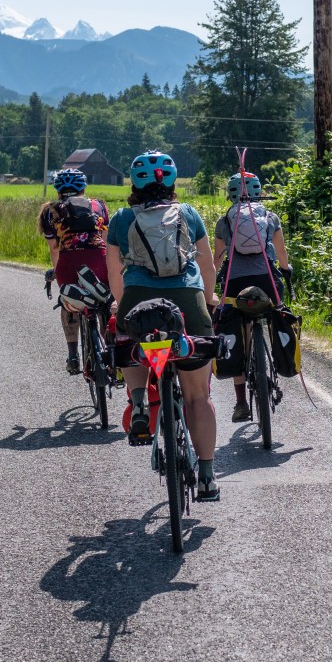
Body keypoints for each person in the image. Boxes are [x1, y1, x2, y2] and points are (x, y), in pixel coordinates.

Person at [105, 151, 221, 501]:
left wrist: (121, 303)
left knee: (127, 339)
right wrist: (209, 299)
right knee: (198, 396)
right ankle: (206, 477)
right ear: (171, 182)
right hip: (188, 301)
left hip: (138, 298)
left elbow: (114, 274)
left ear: (134, 183)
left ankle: (139, 399)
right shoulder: (189, 214)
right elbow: (208, 268)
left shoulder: (122, 219)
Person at [213, 171, 291, 423]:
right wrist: (287, 271)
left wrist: (212, 283)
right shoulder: (270, 217)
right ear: (258, 192)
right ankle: (282, 360)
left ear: (231, 194)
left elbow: (217, 259)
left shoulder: (224, 220)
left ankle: (240, 403)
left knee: (237, 328)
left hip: (235, 284)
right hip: (266, 280)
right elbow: (281, 255)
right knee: (277, 313)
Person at [37, 167, 110, 374]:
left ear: (58, 189)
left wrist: (56, 270)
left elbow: (54, 248)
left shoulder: (50, 211)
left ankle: (73, 355)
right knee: (106, 302)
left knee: (68, 303)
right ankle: (110, 351)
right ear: (83, 187)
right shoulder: (99, 206)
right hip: (98, 260)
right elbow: (105, 242)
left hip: (69, 262)